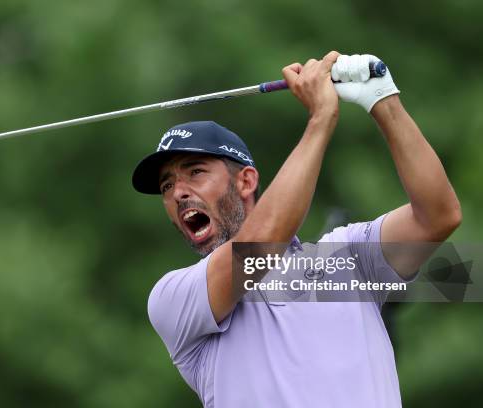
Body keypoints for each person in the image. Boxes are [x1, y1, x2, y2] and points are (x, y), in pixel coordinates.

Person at [131, 51, 461, 407]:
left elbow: (437, 216)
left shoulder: (348, 257)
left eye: (195, 172)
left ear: (245, 181)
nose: (178, 192)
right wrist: (321, 118)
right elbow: (262, 244)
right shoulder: (175, 298)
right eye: (167, 186)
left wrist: (382, 100)